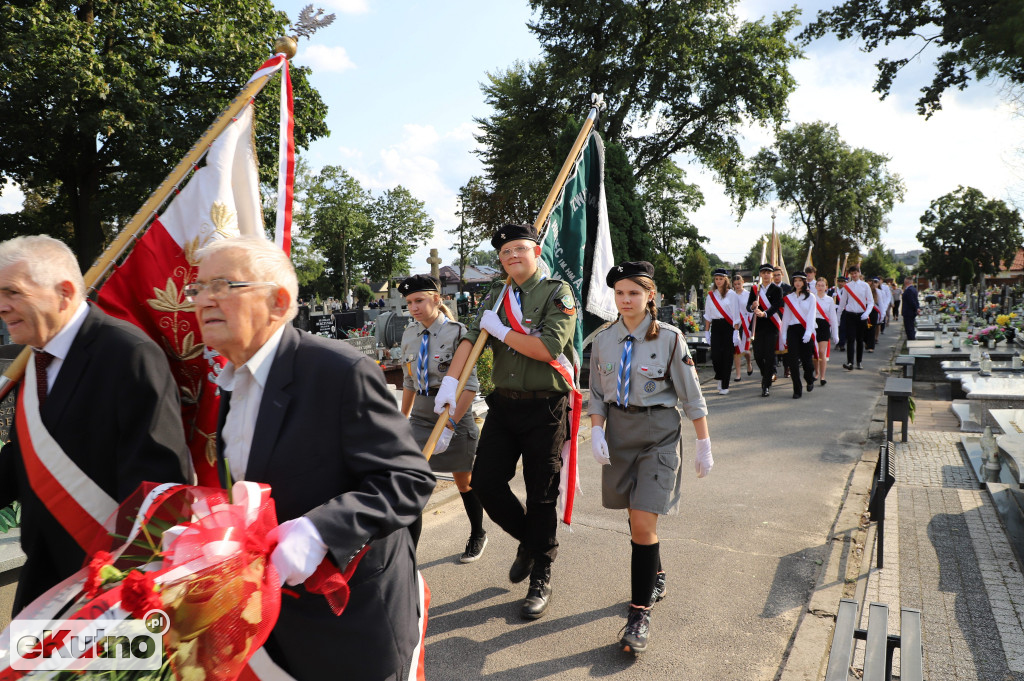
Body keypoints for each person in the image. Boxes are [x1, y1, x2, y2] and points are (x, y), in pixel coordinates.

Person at [191, 236, 435, 681]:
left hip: (350, 623)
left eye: (224, 285)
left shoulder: (337, 371)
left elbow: (408, 479)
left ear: (278, 301)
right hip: (273, 620)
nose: (204, 298)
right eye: (198, 287)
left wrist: (320, 529)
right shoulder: (230, 381)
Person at [0, 235, 189, 615]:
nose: (2, 307)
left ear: (64, 293)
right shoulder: (35, 360)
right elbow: (21, 460)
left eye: (13, 293)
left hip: (111, 593)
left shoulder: (128, 355)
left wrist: (127, 591)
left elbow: (160, 489)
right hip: (44, 581)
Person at [437, 223, 576, 620]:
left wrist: (501, 329)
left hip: (544, 407)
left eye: (519, 248)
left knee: (541, 493)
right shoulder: (497, 295)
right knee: (484, 482)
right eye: (504, 252)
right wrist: (451, 378)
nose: (512, 256)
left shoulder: (556, 292)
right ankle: (532, 544)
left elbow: (548, 346)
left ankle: (541, 576)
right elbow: (471, 339)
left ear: (535, 250)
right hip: (504, 405)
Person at [588, 261, 712, 655]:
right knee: (634, 517)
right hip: (618, 434)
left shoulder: (670, 338)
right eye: (619, 293)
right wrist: (594, 429)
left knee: (642, 522)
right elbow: (595, 392)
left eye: (634, 293)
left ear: (650, 296)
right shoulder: (603, 339)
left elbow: (692, 395)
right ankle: (655, 571)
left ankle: (638, 615)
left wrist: (703, 443)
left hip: (658, 434)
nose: (625, 300)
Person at [398, 274, 486, 561]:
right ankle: (408, 557)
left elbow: (470, 386)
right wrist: (402, 419)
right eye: (409, 302)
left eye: (419, 300)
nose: (414, 307)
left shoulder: (458, 333)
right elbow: (409, 382)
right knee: (413, 484)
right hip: (421, 418)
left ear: (436, 299)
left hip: (454, 415)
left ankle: (477, 533)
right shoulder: (409, 334)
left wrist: (449, 426)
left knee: (464, 481)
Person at [703, 268, 742, 395]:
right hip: (716, 326)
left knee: (726, 356)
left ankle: (725, 384)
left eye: (721, 279)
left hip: (728, 326)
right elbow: (708, 315)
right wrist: (707, 332)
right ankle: (719, 376)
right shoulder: (711, 295)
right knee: (715, 356)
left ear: (726, 280)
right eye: (716, 279)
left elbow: (736, 315)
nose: (718, 281)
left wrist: (736, 332)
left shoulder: (732, 295)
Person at [747, 263, 784, 397]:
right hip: (758, 326)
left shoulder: (776, 289)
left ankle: (766, 385)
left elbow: (776, 305)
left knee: (769, 355)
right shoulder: (755, 289)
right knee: (757, 355)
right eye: (764, 272)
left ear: (772, 274)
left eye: (769, 272)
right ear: (761, 274)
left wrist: (765, 313)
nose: (766, 275)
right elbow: (748, 307)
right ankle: (766, 374)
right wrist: (753, 305)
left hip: (771, 325)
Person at [782, 272, 816, 398]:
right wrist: (783, 333)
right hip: (792, 330)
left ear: (804, 282)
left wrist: (808, 332)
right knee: (792, 361)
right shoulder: (789, 297)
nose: (797, 283)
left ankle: (809, 378)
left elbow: (812, 316)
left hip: (806, 329)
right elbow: (786, 317)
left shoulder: (811, 297)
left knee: (807, 360)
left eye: (800, 280)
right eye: (795, 280)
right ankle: (797, 389)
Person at [838, 265, 872, 370]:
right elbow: (842, 302)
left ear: (859, 273)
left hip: (861, 315)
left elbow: (870, 302)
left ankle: (859, 361)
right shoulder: (847, 286)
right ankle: (850, 362)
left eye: (855, 273)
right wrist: (838, 316)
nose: (854, 275)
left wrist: (866, 313)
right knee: (851, 339)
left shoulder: (865, 285)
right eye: (852, 274)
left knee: (860, 339)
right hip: (850, 314)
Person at [813, 277, 839, 386]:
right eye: (818, 285)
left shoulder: (829, 300)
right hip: (813, 325)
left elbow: (833, 317)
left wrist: (835, 334)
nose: (820, 287)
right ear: (815, 286)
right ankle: (817, 372)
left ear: (826, 287)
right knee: (814, 352)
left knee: (822, 352)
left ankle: (823, 376)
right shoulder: (811, 298)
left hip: (824, 325)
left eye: (822, 285)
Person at [731, 274, 753, 382]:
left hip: (746, 324)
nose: (737, 286)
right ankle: (738, 374)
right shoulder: (731, 296)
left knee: (746, 351)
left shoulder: (748, 295)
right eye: (735, 284)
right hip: (736, 325)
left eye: (739, 283)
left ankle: (749, 363)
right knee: (737, 350)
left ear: (743, 282)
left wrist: (752, 326)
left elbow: (751, 311)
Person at [834, 276, 848, 351]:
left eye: (843, 282)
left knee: (843, 327)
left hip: (844, 311)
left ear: (845, 283)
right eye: (839, 281)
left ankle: (842, 344)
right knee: (835, 327)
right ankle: (836, 342)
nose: (841, 283)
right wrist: (832, 296)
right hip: (834, 310)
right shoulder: (833, 290)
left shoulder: (848, 291)